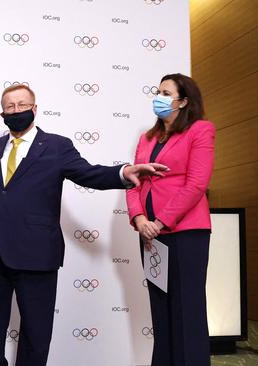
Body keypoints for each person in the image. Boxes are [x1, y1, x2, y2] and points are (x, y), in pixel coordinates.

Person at [0, 84, 168, 366]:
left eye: (22, 105)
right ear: (2, 112)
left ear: (35, 109)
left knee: (36, 334)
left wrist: (122, 172)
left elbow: (87, 174)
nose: (16, 110)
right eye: (10, 106)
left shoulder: (57, 146)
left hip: (36, 254)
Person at [126, 73, 215, 366]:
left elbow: (196, 184)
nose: (158, 97)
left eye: (165, 93)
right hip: (150, 235)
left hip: (185, 232)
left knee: (187, 310)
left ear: (183, 100)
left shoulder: (200, 130)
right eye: (157, 91)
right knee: (160, 310)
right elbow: (134, 182)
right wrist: (140, 219)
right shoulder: (146, 138)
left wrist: (160, 222)